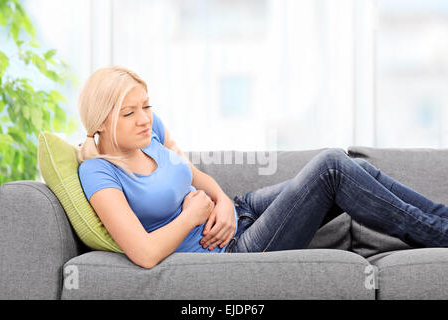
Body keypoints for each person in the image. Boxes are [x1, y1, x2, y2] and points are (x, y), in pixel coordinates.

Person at [77, 65, 448, 269]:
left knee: (354, 168)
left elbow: (190, 173)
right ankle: (439, 233)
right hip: (232, 249)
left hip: (239, 210)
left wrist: (220, 199)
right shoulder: (99, 173)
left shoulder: (149, 132)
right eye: (129, 112)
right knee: (331, 167)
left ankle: (442, 221)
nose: (144, 118)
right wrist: (193, 216)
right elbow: (143, 253)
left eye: (147, 105)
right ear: (100, 122)